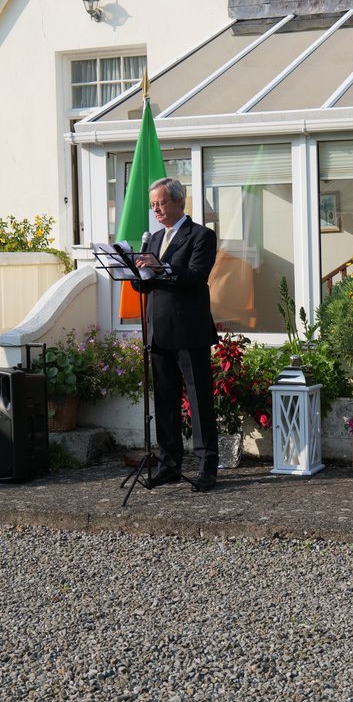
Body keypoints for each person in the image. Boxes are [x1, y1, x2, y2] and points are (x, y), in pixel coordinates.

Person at [133, 177, 219, 492]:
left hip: (189, 331)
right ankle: (169, 464)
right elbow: (144, 286)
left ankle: (207, 468)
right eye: (153, 205)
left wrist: (161, 268)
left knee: (199, 402)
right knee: (165, 402)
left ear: (180, 202)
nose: (156, 209)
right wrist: (135, 271)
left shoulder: (201, 235)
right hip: (158, 332)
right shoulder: (153, 239)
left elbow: (196, 278)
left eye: (161, 203)